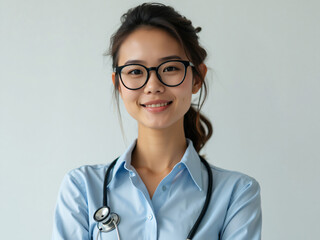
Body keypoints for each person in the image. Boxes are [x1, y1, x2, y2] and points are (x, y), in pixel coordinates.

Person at [52, 3, 262, 240]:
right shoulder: (82, 188)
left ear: (197, 78)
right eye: (135, 71)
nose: (153, 85)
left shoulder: (236, 194)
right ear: (118, 84)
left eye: (170, 68)